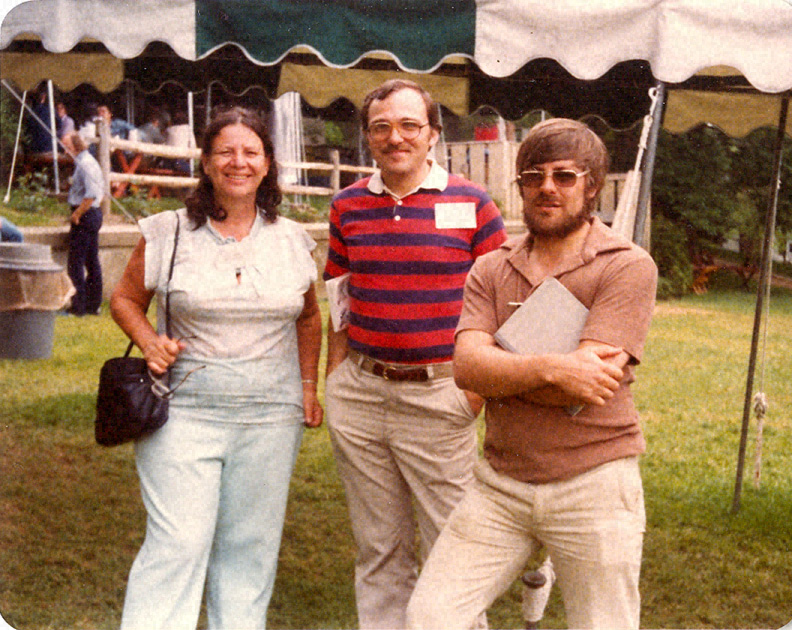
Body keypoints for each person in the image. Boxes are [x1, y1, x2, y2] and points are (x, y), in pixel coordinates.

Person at [406, 118, 659, 630]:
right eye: (533, 176)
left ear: (591, 185)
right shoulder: (492, 268)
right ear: (519, 185)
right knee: (429, 617)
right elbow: (466, 368)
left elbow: (590, 386)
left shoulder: (626, 265)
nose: (547, 187)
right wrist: (551, 367)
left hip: (594, 482)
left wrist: (504, 369)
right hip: (500, 483)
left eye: (565, 176)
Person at [110, 105, 323, 630]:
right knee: (178, 542)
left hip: (271, 420)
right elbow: (124, 299)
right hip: (182, 414)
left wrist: (308, 388)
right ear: (206, 162)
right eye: (226, 151)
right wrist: (148, 340)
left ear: (268, 164)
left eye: (251, 152)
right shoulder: (167, 231)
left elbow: (310, 318)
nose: (239, 162)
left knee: (249, 549)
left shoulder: (293, 239)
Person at [322, 79, 507, 629]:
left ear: (431, 135)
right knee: (379, 549)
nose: (394, 137)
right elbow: (339, 297)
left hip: (440, 394)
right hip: (361, 393)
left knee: (453, 548)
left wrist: (472, 392)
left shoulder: (473, 204)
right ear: (368, 137)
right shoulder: (347, 205)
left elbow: (503, 305)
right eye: (381, 127)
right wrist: (336, 380)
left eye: (408, 125)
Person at [61, 132, 104, 316]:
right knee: (91, 260)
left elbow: (91, 194)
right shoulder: (83, 161)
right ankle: (93, 304)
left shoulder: (86, 164)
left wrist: (77, 214)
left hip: (86, 214)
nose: (64, 150)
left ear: (74, 146)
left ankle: (77, 307)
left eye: (66, 146)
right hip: (91, 214)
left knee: (76, 263)